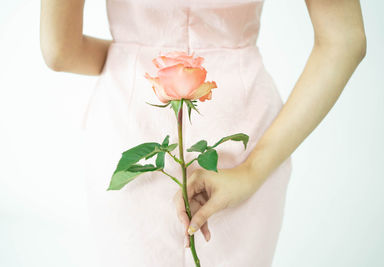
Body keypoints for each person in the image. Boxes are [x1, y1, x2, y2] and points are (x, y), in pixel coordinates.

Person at [40, 0, 366, 266]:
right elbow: (344, 39)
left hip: (127, 122)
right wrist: (252, 171)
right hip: (247, 130)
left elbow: (60, 51)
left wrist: (137, 55)